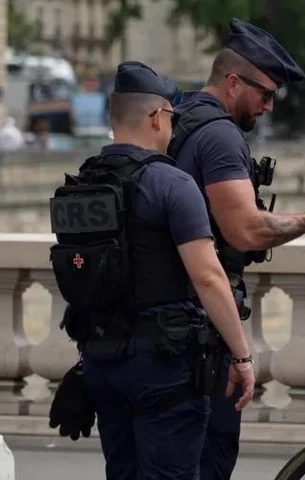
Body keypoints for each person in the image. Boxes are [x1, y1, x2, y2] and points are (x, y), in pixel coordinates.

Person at [168, 18, 305, 480]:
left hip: (161, 321)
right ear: (233, 82)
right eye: (265, 95)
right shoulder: (219, 135)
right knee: (206, 462)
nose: (269, 107)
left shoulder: (178, 116)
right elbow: (246, 231)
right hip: (197, 330)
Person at [49, 61, 255, 479]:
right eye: (172, 118)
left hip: (101, 359)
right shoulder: (171, 184)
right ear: (157, 116)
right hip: (162, 364)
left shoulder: (84, 182)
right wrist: (242, 356)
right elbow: (208, 277)